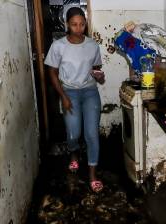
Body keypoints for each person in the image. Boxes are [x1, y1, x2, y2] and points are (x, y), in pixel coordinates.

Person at [44, 7, 104, 193]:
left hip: (90, 92)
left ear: (85, 25)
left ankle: (93, 174)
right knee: (73, 133)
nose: (78, 28)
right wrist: (63, 97)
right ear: (67, 25)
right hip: (69, 92)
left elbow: (96, 68)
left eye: (82, 24)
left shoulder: (93, 45)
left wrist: (99, 77)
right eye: (74, 24)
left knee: (92, 134)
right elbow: (52, 72)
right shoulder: (58, 46)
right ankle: (74, 154)